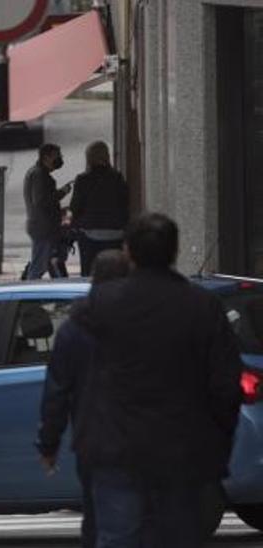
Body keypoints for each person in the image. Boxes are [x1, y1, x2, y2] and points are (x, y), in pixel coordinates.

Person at [72, 213, 243, 548]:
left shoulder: (98, 306)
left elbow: (79, 375)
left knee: (119, 537)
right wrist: (217, 445)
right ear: (174, 251)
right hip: (184, 454)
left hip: (116, 451)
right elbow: (225, 387)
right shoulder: (203, 307)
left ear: (128, 253)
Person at [35, 249, 131, 548]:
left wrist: (49, 444)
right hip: (143, 434)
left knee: (97, 516)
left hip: (95, 438)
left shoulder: (75, 329)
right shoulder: (143, 322)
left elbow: (57, 393)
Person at [70, 141, 130, 277]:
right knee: (116, 271)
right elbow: (125, 202)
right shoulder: (117, 178)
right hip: (116, 232)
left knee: (88, 271)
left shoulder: (83, 179)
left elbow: (75, 207)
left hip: (90, 232)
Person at [22, 144, 71, 280]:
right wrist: (62, 192)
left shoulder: (38, 173)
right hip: (43, 228)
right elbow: (41, 201)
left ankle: (60, 290)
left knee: (51, 262)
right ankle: (27, 294)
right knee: (38, 267)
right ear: (46, 157)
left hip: (43, 226)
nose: (60, 159)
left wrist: (59, 210)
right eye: (57, 156)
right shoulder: (39, 175)